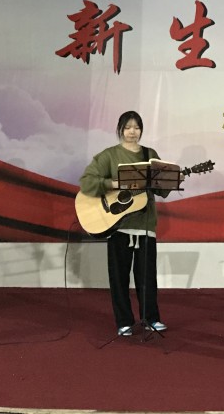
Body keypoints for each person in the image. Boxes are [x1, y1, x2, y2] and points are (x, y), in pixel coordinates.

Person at [79, 111, 175, 336]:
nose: (133, 132)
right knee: (119, 277)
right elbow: (87, 182)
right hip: (118, 225)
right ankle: (124, 321)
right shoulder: (109, 156)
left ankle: (151, 318)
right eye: (128, 127)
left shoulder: (150, 155)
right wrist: (114, 184)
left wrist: (172, 179)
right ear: (120, 129)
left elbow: (161, 191)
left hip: (145, 224)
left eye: (137, 127)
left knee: (147, 278)